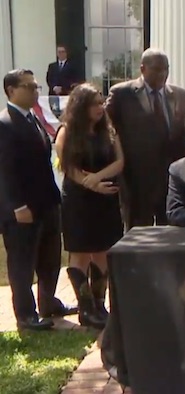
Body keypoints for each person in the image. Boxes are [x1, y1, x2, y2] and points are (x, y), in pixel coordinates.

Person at [0, 69, 77, 330]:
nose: (36, 91)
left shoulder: (32, 118)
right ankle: (25, 315)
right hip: (22, 209)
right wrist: (17, 206)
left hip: (46, 204)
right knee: (22, 263)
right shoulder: (5, 123)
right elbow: (4, 171)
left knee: (50, 258)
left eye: (36, 86)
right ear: (11, 90)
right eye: (29, 87)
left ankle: (48, 303)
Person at [55, 83, 124, 329]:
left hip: (106, 200)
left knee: (103, 250)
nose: (100, 107)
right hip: (79, 201)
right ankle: (85, 309)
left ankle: (99, 304)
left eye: (101, 101)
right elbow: (68, 167)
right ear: (81, 106)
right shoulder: (67, 132)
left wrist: (98, 177)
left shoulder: (108, 130)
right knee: (81, 252)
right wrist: (92, 184)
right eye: (95, 103)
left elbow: (119, 162)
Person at [105, 48, 185, 229]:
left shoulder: (181, 96)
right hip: (136, 182)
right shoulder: (122, 95)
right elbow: (107, 131)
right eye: (156, 69)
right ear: (143, 68)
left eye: (165, 69)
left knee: (171, 236)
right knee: (138, 237)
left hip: (172, 182)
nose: (162, 74)